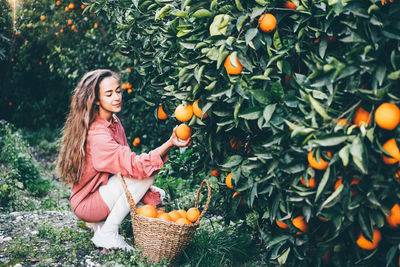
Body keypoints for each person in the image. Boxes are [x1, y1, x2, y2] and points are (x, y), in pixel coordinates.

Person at [56, 69, 191, 251]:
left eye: (118, 91)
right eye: (109, 94)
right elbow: (135, 168)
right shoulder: (98, 135)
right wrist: (170, 143)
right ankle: (108, 232)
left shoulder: (113, 121)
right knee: (145, 177)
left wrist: (148, 195)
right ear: (96, 100)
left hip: (100, 191)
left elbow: (124, 167)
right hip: (87, 203)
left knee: (159, 195)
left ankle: (100, 225)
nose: (116, 97)